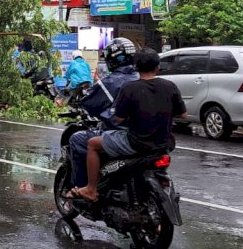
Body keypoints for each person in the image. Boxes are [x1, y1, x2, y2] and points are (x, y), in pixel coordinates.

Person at [69, 48, 187, 203]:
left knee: (92, 144)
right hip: (164, 144)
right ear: (158, 67)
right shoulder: (170, 86)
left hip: (136, 143)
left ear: (136, 67)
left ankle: (91, 189)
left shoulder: (130, 88)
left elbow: (118, 118)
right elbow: (183, 115)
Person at [59, 38, 140, 190]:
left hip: (123, 135)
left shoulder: (111, 82)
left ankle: (86, 188)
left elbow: (90, 103)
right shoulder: (143, 79)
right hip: (148, 136)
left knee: (79, 140)